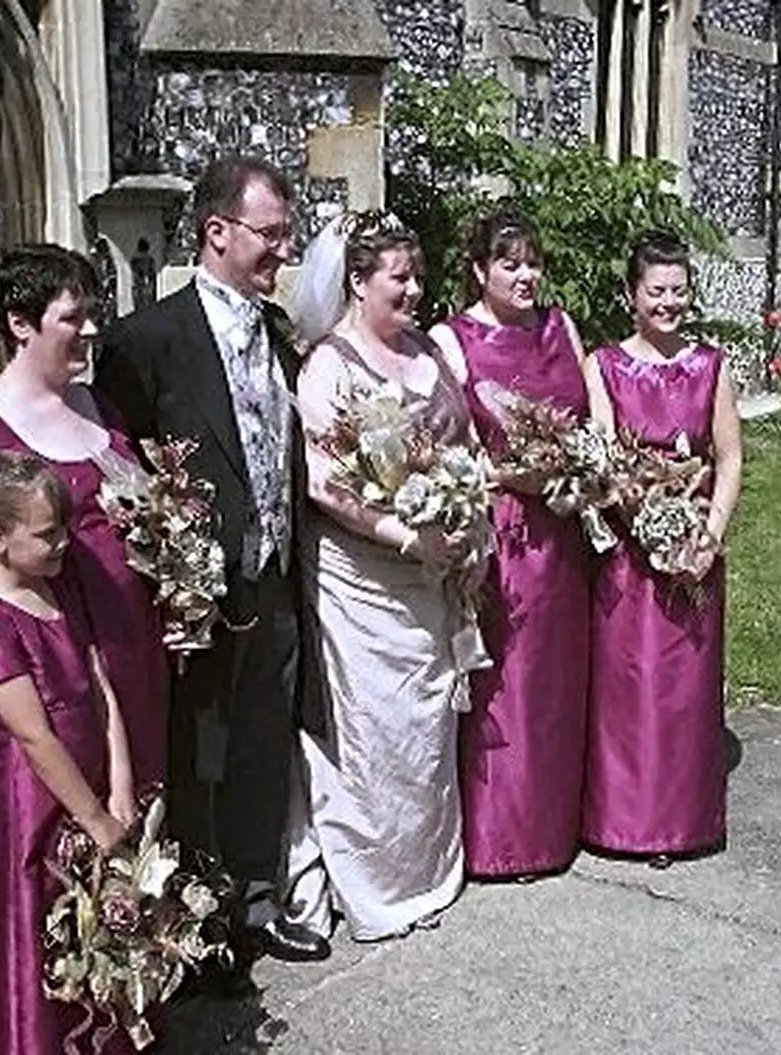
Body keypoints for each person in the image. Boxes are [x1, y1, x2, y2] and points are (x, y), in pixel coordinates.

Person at [95, 156, 330, 963]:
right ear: (216, 231)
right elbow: (117, 477)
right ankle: (202, 919)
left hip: (274, 583)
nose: (282, 251)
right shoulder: (145, 342)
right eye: (270, 235)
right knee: (202, 757)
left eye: (286, 235)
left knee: (264, 744)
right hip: (192, 604)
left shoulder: (278, 335)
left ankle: (258, 898)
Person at [0, 244, 168, 790]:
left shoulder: (100, 408)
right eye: (74, 317)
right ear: (20, 324)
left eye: (95, 313)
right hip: (49, 675)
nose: (92, 330)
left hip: (129, 654)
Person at [281, 210, 476, 941]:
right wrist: (402, 532)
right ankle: (375, 883)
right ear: (358, 283)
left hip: (428, 579)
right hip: (360, 582)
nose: (417, 290)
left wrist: (461, 513)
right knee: (373, 729)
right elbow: (326, 482)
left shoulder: (429, 350)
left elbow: (462, 444)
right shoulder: (328, 365)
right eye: (401, 278)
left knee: (425, 728)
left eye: (418, 276)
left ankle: (426, 870)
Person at [427, 207, 611, 881]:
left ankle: (557, 826)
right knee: (508, 684)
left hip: (563, 529)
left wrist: (584, 465)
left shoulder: (562, 327)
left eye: (532, 261)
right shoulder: (451, 339)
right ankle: (503, 837)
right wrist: (512, 474)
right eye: (510, 263)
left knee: (560, 681)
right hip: (502, 529)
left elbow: (595, 418)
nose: (525, 274)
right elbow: (446, 446)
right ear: (479, 269)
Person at [0, 451, 137, 1054]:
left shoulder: (54, 593)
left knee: (96, 928)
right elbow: (33, 735)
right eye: (48, 533)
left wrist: (121, 791)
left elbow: (100, 690)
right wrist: (94, 817)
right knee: (40, 928)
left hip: (91, 791)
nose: (63, 544)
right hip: (34, 810)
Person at [582, 230, 743, 866]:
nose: (669, 303)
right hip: (630, 554)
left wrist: (707, 535)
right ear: (631, 295)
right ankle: (624, 823)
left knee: (684, 692)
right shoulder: (604, 367)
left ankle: (683, 821)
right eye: (657, 291)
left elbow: (729, 458)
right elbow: (604, 461)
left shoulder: (712, 366)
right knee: (629, 689)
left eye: (678, 290)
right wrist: (647, 523)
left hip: (694, 556)